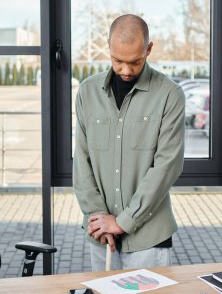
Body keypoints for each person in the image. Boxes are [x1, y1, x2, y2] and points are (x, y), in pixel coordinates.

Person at [73, 14, 185, 271]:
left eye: (135, 62)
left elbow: (167, 166)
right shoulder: (87, 93)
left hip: (149, 240)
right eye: (117, 61)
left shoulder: (170, 95)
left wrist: (123, 221)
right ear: (108, 47)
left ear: (149, 49)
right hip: (101, 236)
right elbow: (82, 161)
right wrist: (99, 220)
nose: (125, 70)